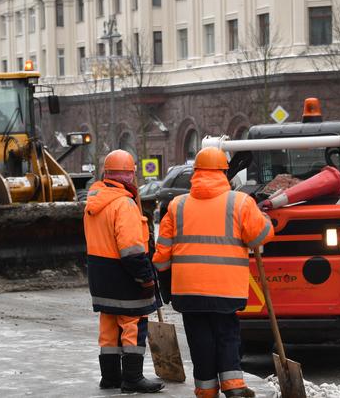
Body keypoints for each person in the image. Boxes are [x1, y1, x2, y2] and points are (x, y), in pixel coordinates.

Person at [153, 147, 274, 398]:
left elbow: (162, 254)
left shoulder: (178, 205)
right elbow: (260, 237)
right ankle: (234, 387)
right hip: (226, 288)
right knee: (227, 334)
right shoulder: (239, 202)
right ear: (224, 172)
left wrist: (166, 284)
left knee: (199, 340)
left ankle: (206, 390)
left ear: (195, 173)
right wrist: (264, 220)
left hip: (188, 291)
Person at [83, 149, 164, 394]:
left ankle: (110, 377)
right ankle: (132, 378)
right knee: (133, 326)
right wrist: (146, 277)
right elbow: (131, 250)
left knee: (109, 326)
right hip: (124, 276)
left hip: (100, 276)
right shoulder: (124, 204)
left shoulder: (95, 202)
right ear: (130, 176)